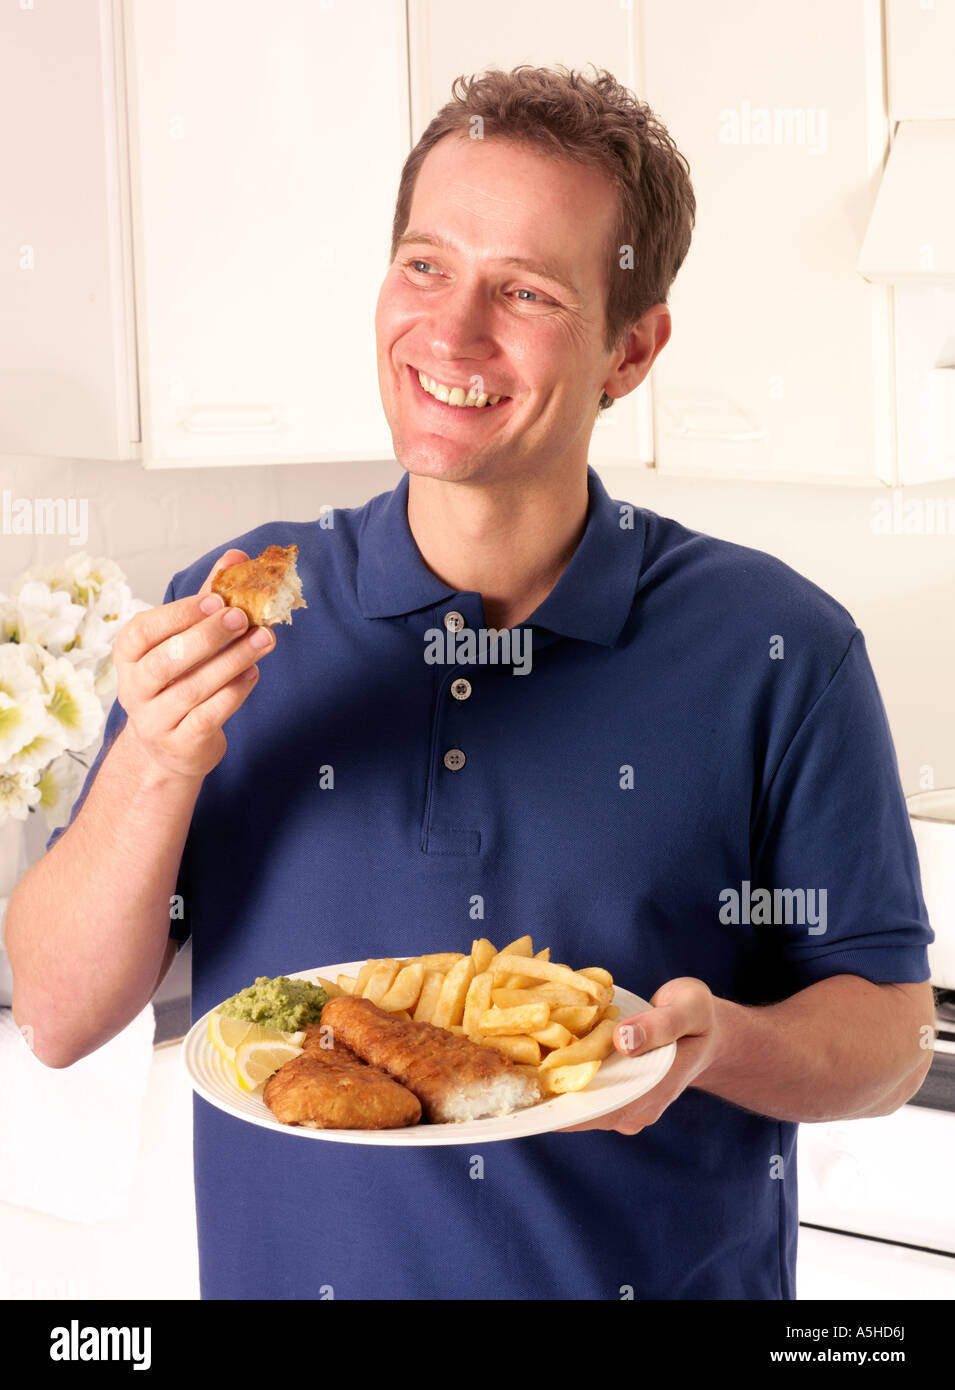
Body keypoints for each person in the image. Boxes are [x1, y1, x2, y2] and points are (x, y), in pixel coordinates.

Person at [7, 66, 935, 1300]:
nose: (451, 335)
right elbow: (59, 1015)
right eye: (426, 265)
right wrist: (156, 761)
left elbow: (887, 1039)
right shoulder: (228, 612)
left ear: (633, 348)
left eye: (529, 291)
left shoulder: (776, 646)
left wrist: (722, 1044)